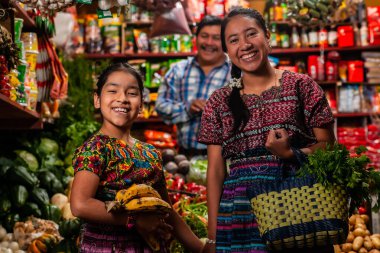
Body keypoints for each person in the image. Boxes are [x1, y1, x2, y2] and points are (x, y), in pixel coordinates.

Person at [198, 7, 336, 253]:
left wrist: (291, 154)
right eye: (234, 40)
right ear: (227, 51)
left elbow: (328, 147)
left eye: (251, 34)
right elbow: (216, 170)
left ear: (267, 37)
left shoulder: (302, 86)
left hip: (296, 208)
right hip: (240, 214)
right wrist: (212, 236)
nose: (245, 45)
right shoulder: (218, 102)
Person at [70, 62, 204, 253]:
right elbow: (80, 205)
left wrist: (199, 247)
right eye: (113, 91)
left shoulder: (150, 153)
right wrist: (134, 220)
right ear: (97, 100)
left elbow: (166, 210)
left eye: (132, 93)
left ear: (141, 105)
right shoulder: (95, 149)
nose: (122, 99)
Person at [155, 15, 230, 157]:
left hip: (225, 159)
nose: (209, 42)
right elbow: (161, 106)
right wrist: (187, 109)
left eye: (216, 38)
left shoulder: (236, 73)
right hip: (185, 157)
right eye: (204, 36)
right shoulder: (178, 70)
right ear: (196, 38)